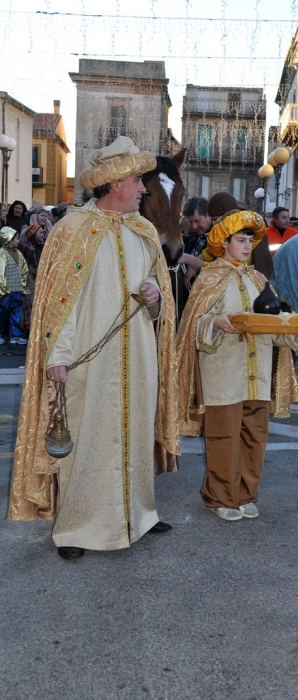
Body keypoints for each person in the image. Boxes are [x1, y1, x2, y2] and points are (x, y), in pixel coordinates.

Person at [7, 136, 179, 559]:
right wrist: (58, 357)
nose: (144, 189)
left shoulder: (144, 233)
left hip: (136, 355)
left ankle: (139, 514)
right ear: (116, 182)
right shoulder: (71, 231)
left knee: (133, 434)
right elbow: (57, 307)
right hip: (87, 359)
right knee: (85, 440)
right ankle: (76, 528)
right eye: (139, 181)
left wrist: (156, 295)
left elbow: (160, 294)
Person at [176, 210, 298, 521]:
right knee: (223, 437)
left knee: (254, 436)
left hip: (256, 374)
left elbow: (269, 322)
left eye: (250, 241)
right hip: (222, 373)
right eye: (241, 241)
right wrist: (214, 322)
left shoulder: (259, 279)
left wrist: (287, 328)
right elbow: (191, 326)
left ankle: (246, 494)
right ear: (224, 243)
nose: (247, 246)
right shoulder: (209, 278)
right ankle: (220, 496)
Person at [0, 227, 29, 345]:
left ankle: (15, 335)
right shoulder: (2, 253)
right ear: (9, 240)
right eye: (16, 239)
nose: (18, 241)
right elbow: (0, 273)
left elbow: (24, 270)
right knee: (3, 313)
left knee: (16, 313)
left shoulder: (19, 253)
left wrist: (24, 286)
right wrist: (2, 289)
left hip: (17, 289)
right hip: (6, 291)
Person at [20, 223, 46, 332]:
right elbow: (33, 267)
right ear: (33, 234)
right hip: (32, 279)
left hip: (36, 277)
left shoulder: (38, 245)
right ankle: (30, 327)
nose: (43, 234)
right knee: (31, 302)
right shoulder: (30, 248)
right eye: (40, 232)